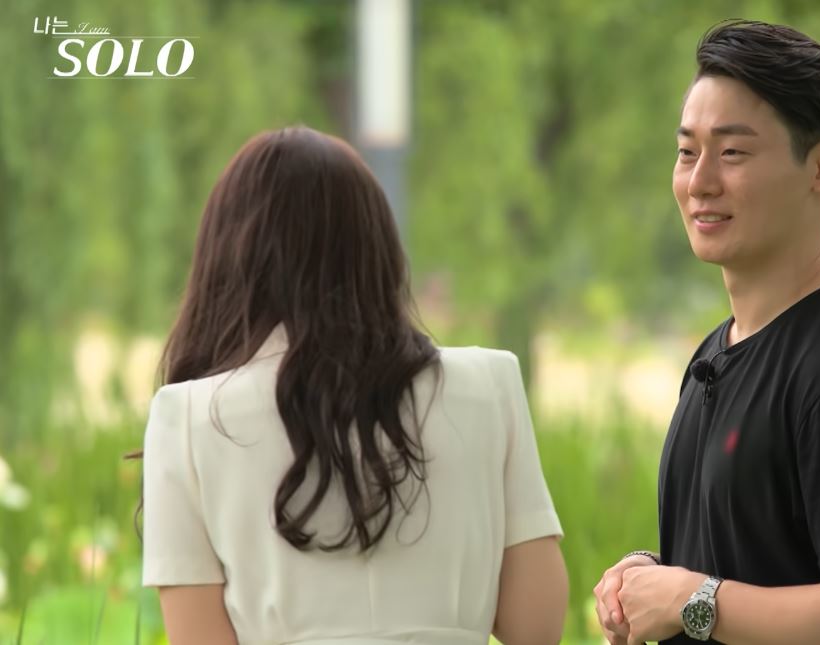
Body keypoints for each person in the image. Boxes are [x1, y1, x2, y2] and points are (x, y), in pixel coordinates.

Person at [593, 20, 820, 645]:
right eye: (687, 152)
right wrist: (655, 580)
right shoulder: (719, 353)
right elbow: (751, 568)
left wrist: (691, 599)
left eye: (732, 153)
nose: (700, 182)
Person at [140, 126, 568, 645]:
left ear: (227, 258)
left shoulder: (187, 417)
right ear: (379, 247)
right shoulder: (489, 387)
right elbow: (535, 628)